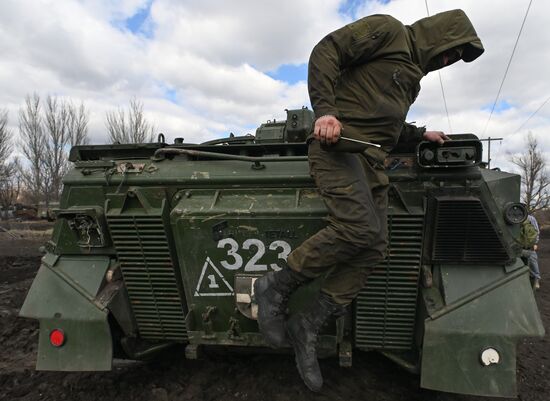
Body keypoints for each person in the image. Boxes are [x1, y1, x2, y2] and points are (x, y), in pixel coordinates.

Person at [254, 9, 484, 392]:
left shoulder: (412, 78)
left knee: (374, 246)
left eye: (454, 60)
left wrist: (420, 135)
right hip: (337, 147)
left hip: (373, 161)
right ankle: (276, 286)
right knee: (357, 227)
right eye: (450, 52)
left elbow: (384, 125)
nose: (447, 61)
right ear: (442, 35)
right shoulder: (388, 31)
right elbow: (326, 51)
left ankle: (307, 325)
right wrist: (325, 112)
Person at [522, 214, 541, 289]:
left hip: (527, 244)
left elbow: (536, 231)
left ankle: (536, 279)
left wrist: (535, 243)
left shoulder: (530, 218)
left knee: (532, 257)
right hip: (515, 244)